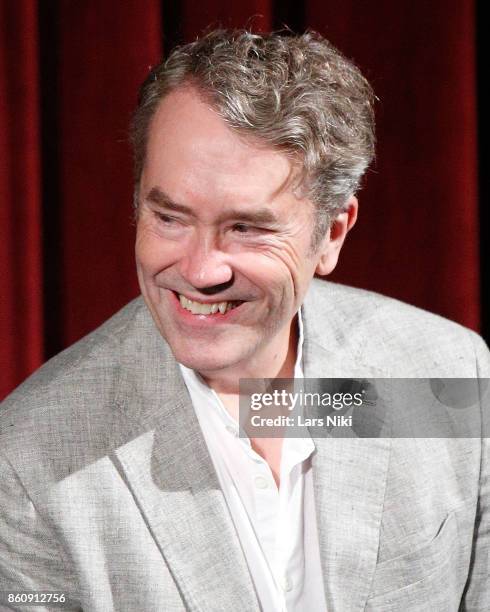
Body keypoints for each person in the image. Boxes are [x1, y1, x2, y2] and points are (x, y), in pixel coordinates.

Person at [0, 29, 488, 612]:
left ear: (331, 233)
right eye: (170, 217)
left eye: (246, 227)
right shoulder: (27, 457)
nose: (201, 270)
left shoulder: (448, 375)